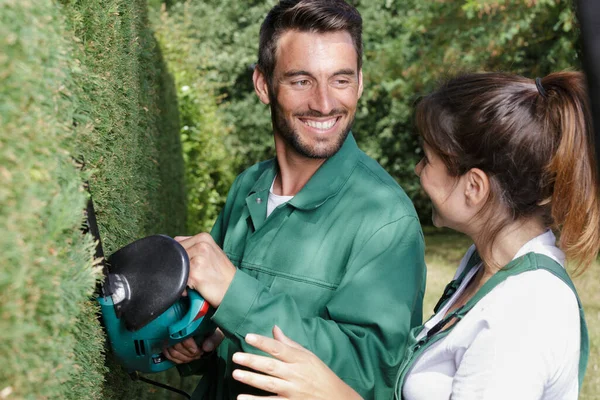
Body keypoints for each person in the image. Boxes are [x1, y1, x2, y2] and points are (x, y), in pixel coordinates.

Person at [229, 71, 598, 400]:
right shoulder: (484, 265)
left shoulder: (525, 311)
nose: (419, 169)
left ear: (474, 187)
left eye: (427, 158)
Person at [163, 1, 427, 399]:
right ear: (263, 85)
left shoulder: (385, 218)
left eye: (340, 80)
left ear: (360, 83)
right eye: (302, 81)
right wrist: (197, 337)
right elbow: (217, 318)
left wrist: (235, 294)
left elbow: (370, 372)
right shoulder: (248, 186)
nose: (324, 103)